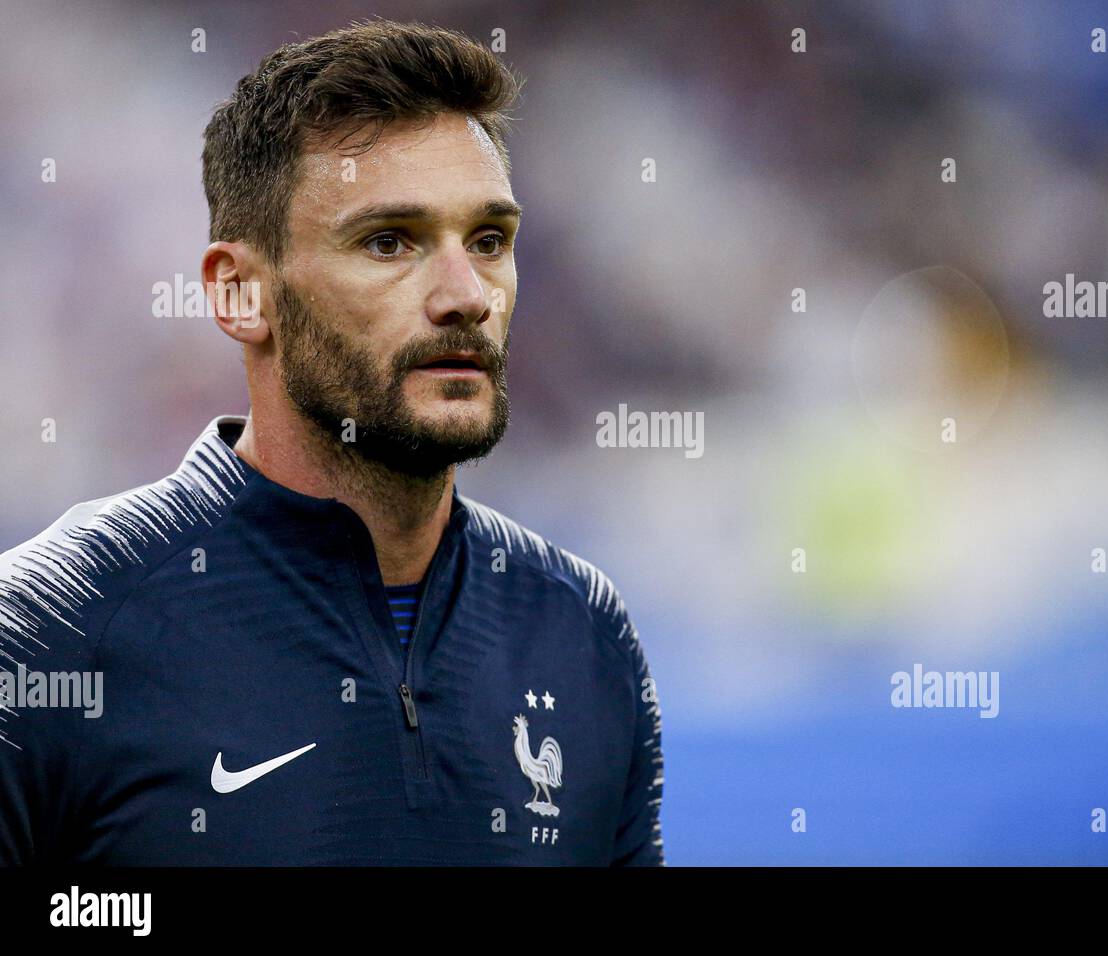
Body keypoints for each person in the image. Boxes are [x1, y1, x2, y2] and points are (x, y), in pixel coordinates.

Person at [0, 19, 663, 865]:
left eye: (489, 241)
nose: (466, 294)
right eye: (390, 241)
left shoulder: (581, 631)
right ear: (241, 292)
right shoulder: (49, 631)